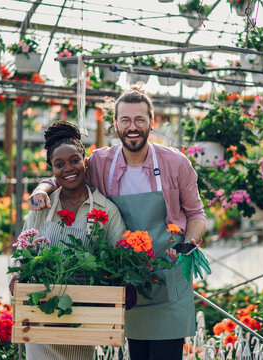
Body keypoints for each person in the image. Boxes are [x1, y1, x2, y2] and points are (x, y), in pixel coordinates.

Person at [28, 88, 207, 360]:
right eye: (125, 120)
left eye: (139, 120)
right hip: (129, 281)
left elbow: (196, 214)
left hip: (169, 275)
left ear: (151, 122)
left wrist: (188, 244)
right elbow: (67, 171)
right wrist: (43, 187)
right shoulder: (101, 161)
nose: (132, 127)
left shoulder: (176, 163)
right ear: (115, 124)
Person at [11, 121, 127, 360]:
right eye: (59, 164)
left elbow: (120, 262)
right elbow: (22, 254)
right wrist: (16, 279)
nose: (68, 169)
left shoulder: (107, 210)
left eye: (74, 160)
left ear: (85, 160)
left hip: (82, 321)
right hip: (42, 317)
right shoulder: (42, 207)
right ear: (51, 169)